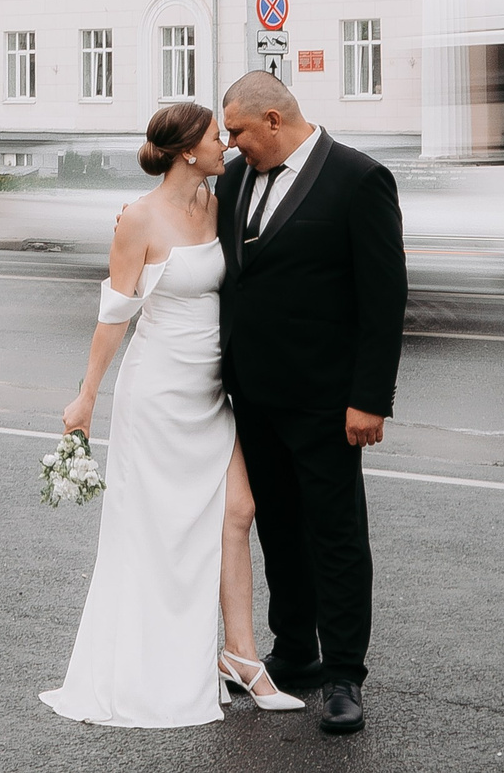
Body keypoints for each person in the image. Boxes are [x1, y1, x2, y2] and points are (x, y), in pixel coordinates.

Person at [42, 102, 301, 728]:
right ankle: (149, 666)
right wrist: (86, 397)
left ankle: (238, 656)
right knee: (155, 534)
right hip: (155, 394)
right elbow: (113, 316)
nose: (228, 146)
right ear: (188, 150)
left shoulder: (220, 203)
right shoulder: (137, 219)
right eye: (219, 137)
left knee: (237, 509)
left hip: (211, 392)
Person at [215, 70, 405, 736]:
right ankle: (294, 648)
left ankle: (344, 674)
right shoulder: (235, 180)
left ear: (273, 120)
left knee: (336, 534)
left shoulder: (358, 179)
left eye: (237, 129)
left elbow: (384, 300)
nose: (230, 142)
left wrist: (369, 398)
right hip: (253, 392)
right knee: (278, 528)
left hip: (327, 399)